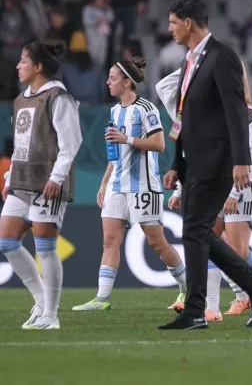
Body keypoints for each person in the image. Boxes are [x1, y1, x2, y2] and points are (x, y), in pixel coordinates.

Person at [158, 0, 252, 330]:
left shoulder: (222, 56)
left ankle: (198, 309)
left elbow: (237, 111)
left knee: (195, 231)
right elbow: (183, 117)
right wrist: (175, 164)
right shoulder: (190, 61)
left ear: (188, 22)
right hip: (195, 160)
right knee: (197, 232)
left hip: (218, 160)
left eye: (172, 22)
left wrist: (241, 161)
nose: (169, 29)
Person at [71, 57, 187, 312]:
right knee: (110, 241)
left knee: (157, 242)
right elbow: (115, 154)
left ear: (126, 82)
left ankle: (186, 288)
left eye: (112, 78)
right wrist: (104, 183)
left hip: (144, 186)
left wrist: (128, 138)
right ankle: (101, 298)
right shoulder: (114, 111)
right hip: (117, 185)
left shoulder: (147, 109)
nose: (108, 82)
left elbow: (159, 144)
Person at [167, 62, 252, 322]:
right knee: (209, 240)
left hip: (240, 190)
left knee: (237, 251)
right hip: (214, 187)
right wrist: (191, 68)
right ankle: (213, 307)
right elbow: (164, 88)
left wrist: (237, 194)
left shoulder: (250, 116)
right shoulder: (214, 113)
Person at [0, 42, 82, 330]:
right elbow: (20, 145)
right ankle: (40, 301)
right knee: (7, 241)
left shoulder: (60, 98)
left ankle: (51, 314)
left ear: (38, 67)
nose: (18, 66)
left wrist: (56, 179)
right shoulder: (20, 99)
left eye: (23, 61)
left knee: (45, 248)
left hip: (47, 182)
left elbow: (71, 144)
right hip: (22, 181)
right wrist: (10, 177)